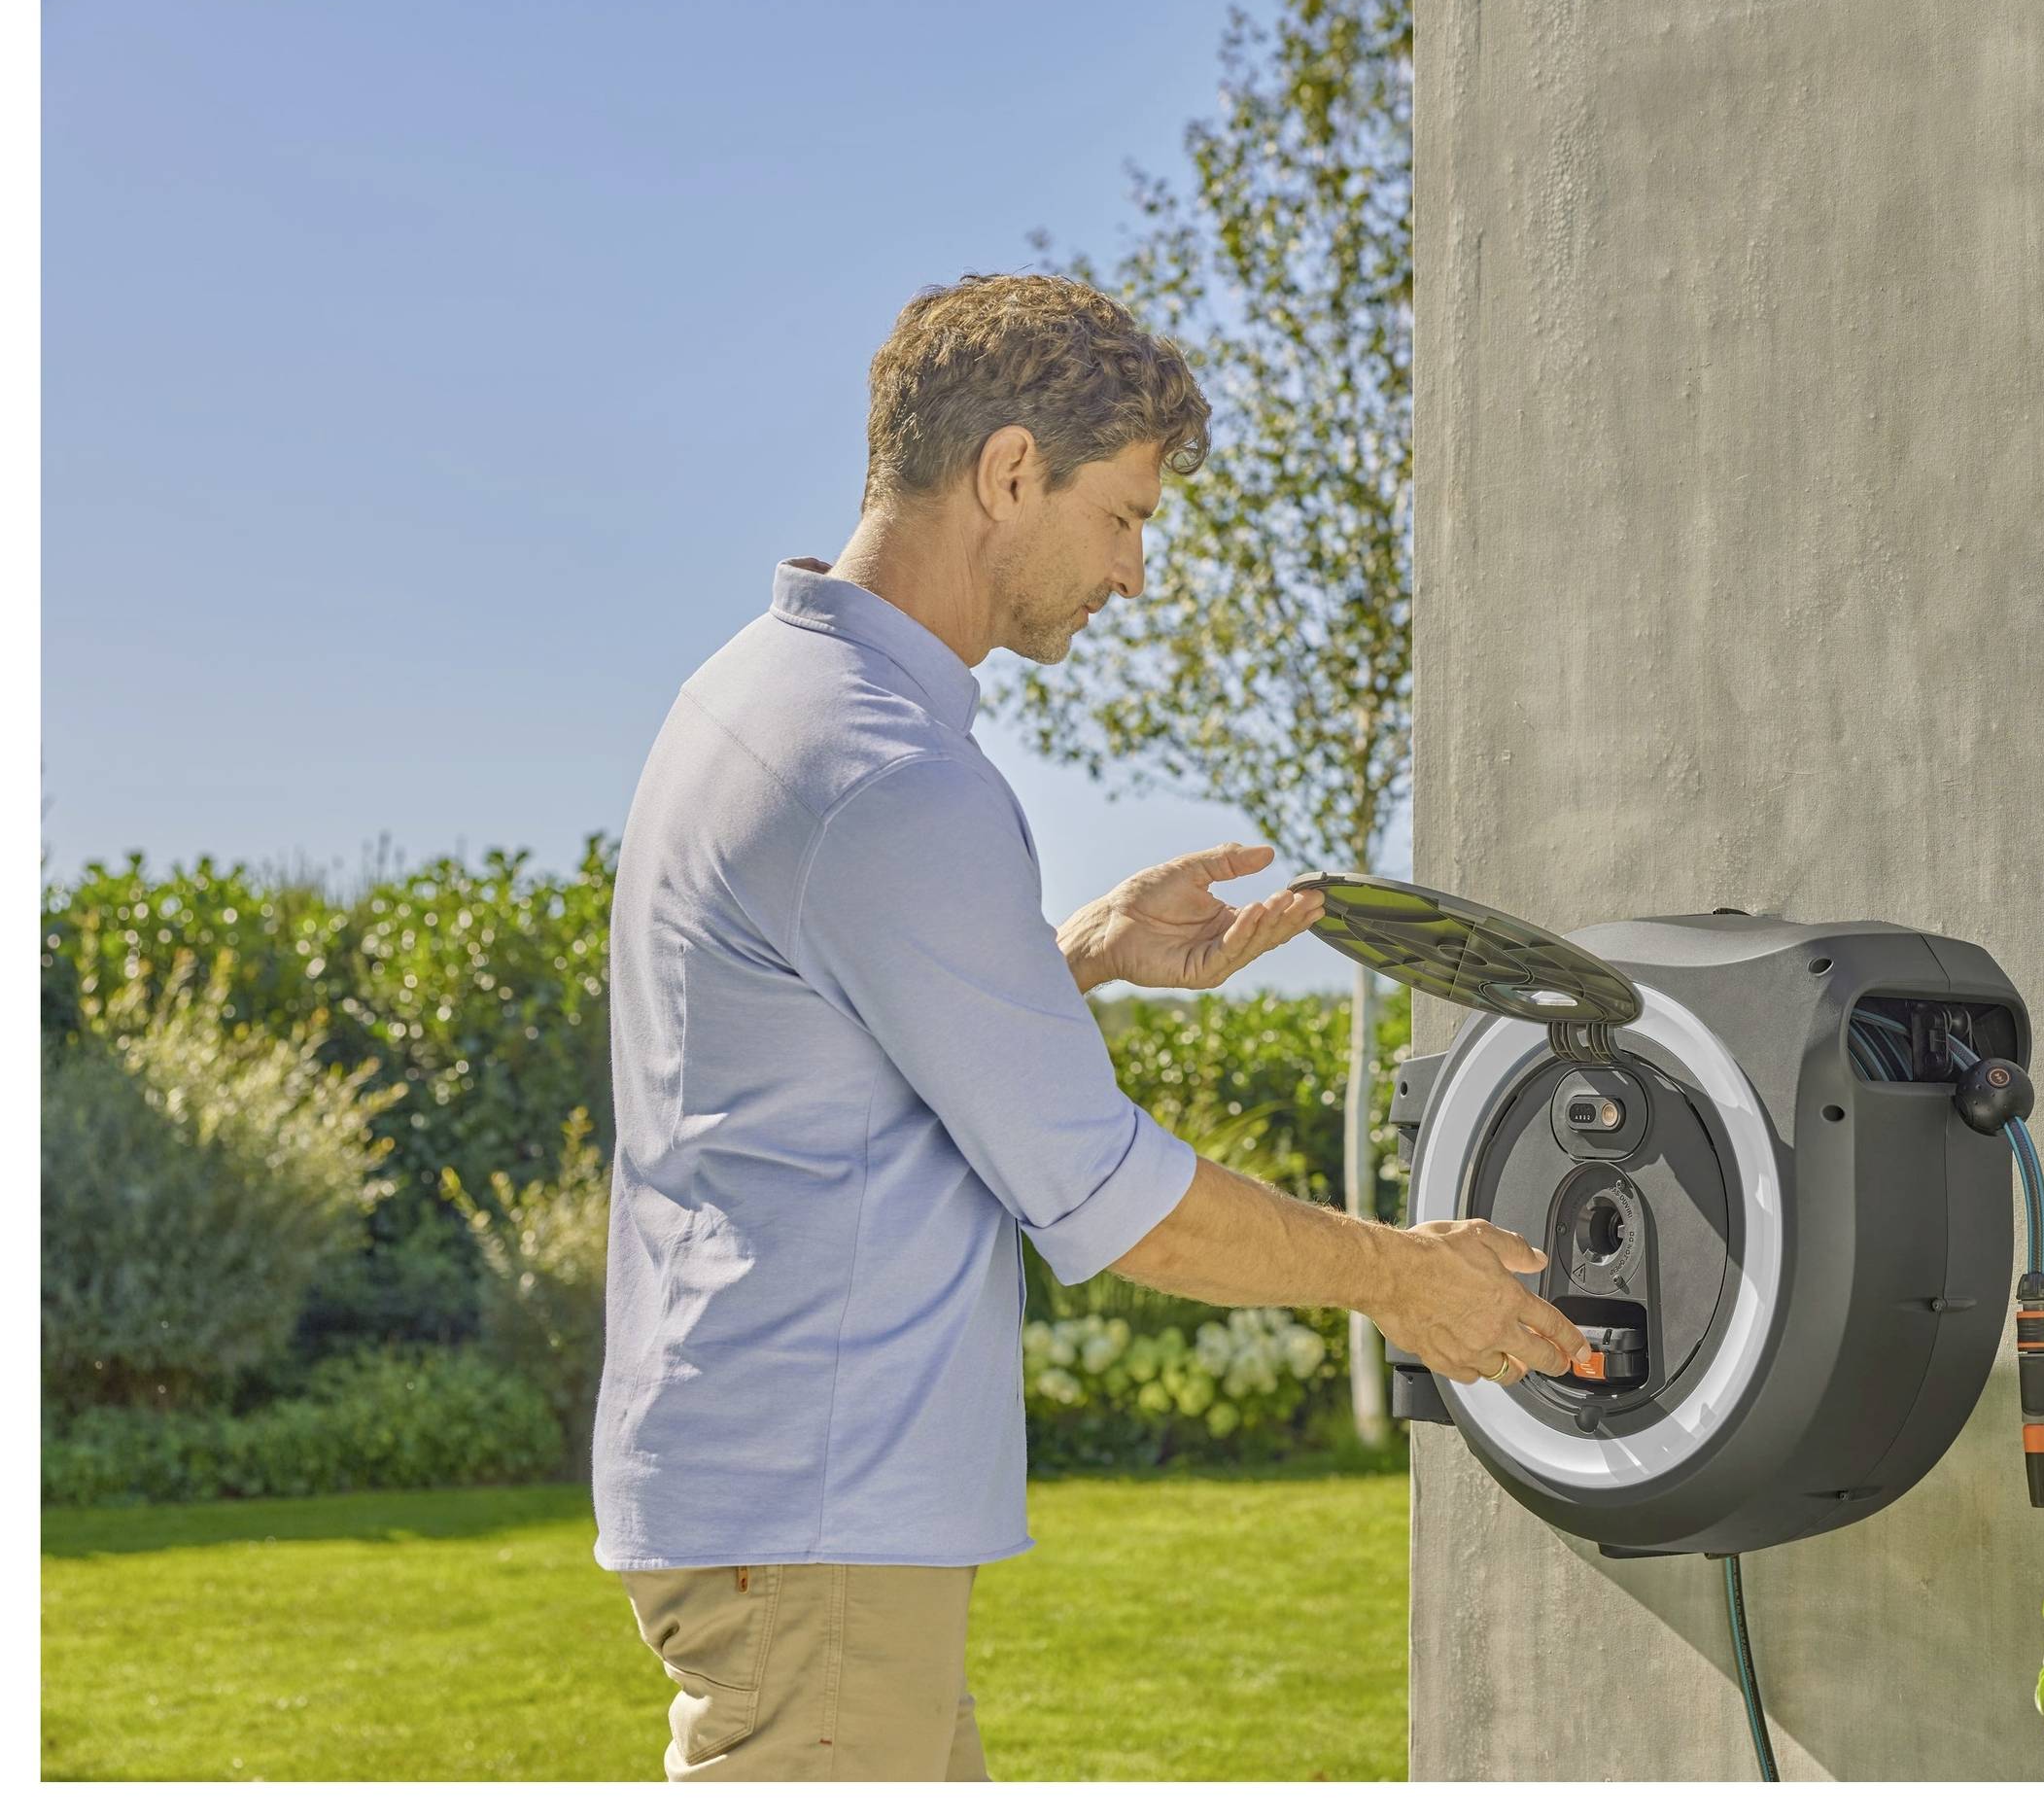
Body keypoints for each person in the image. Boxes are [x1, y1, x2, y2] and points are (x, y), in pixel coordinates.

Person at [590, 272, 1581, 1782]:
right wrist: (1403, 1278)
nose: (1133, 577)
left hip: (785, 1510)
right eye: (1120, 518)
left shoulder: (760, 695)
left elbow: (829, 1056)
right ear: (1005, 473)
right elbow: (1119, 1208)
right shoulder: (889, 777)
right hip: (817, 1527)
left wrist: (1072, 960)